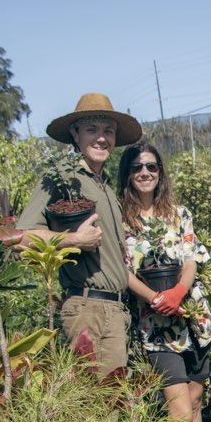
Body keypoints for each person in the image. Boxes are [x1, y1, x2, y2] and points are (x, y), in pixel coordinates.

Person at [118, 140, 211, 422]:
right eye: (138, 167)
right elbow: (123, 271)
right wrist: (157, 298)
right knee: (176, 409)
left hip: (192, 317)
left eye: (152, 167)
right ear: (127, 173)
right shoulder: (121, 220)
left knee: (194, 401)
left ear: (161, 173)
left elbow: (190, 258)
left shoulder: (178, 214)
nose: (145, 173)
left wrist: (177, 292)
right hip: (156, 326)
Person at [17, 93, 142, 376]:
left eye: (108, 131)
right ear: (75, 134)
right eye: (92, 130)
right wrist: (73, 240)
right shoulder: (62, 178)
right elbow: (22, 237)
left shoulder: (106, 186)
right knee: (100, 405)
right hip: (89, 307)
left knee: (113, 405)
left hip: (116, 310)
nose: (101, 138)